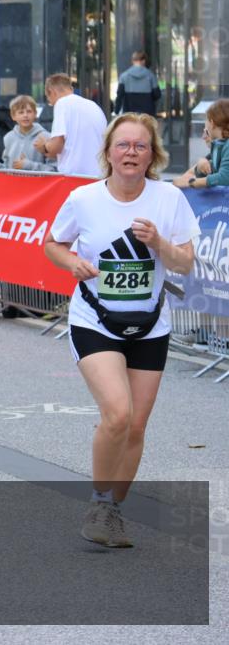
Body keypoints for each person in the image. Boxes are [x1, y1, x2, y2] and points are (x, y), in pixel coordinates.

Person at [44, 113, 199, 548]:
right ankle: (99, 502)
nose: (131, 152)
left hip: (150, 325)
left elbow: (186, 263)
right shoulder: (84, 199)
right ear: (109, 153)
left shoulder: (168, 198)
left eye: (140, 146)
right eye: (123, 145)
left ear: (152, 155)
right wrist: (72, 262)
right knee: (118, 413)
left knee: (136, 427)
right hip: (95, 320)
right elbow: (52, 243)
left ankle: (112, 511)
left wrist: (160, 244)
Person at [35, 73, 108, 177]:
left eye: (49, 99)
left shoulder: (61, 103)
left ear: (52, 92)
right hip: (99, 175)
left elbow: (57, 146)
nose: (51, 104)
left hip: (74, 176)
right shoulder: (94, 106)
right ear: (71, 89)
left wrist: (44, 146)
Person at [0, 95, 57, 172]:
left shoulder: (46, 137)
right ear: (13, 116)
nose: (25, 115)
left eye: (29, 111)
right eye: (21, 112)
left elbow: (53, 169)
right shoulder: (8, 138)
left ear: (35, 114)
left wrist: (28, 165)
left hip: (39, 181)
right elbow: (7, 167)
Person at [174, 98, 229, 190]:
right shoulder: (220, 147)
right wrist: (200, 166)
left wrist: (192, 182)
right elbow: (216, 170)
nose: (203, 136)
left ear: (212, 123)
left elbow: (225, 177)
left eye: (206, 121)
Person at [114, 51, 161, 116]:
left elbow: (120, 95)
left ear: (132, 61)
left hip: (129, 113)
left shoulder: (124, 76)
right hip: (147, 113)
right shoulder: (151, 76)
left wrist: (116, 111)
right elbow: (157, 94)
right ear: (144, 61)